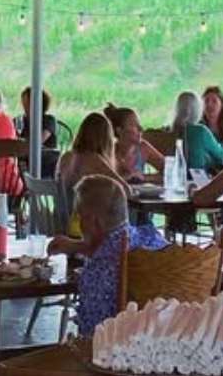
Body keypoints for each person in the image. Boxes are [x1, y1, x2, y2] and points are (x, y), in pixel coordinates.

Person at [48, 174, 165, 337]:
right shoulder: (153, 238)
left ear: (94, 221)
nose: (78, 224)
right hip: (172, 337)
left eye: (79, 217)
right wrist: (81, 247)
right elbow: (115, 247)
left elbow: (92, 336)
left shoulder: (97, 272)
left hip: (122, 346)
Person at [56, 112, 123, 193]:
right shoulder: (95, 160)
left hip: (62, 201)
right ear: (106, 139)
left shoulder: (66, 156)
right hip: (85, 201)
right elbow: (125, 189)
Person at [170, 91, 223, 175]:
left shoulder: (170, 130)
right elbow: (221, 157)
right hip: (197, 178)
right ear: (197, 109)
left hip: (174, 176)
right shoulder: (200, 131)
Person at [108, 105, 165, 183]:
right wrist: (126, 177)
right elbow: (100, 180)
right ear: (119, 131)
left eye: (139, 124)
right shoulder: (108, 152)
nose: (140, 128)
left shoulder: (143, 149)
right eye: (133, 125)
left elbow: (172, 171)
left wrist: (144, 177)